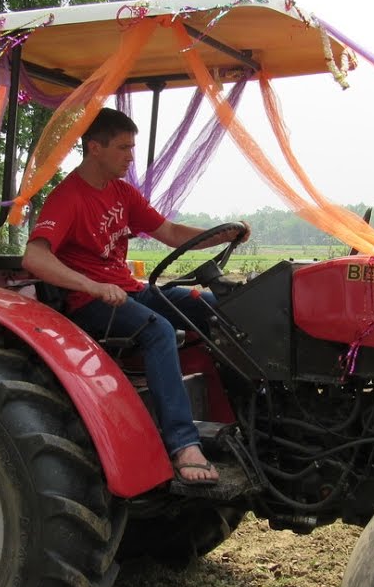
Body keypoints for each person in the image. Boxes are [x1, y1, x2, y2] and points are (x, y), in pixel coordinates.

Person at [23, 108, 249, 486]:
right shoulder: (69, 198)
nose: (131, 156)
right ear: (95, 147)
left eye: (132, 147)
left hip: (129, 292)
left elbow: (173, 232)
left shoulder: (122, 193)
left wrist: (225, 233)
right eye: (124, 147)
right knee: (158, 330)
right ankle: (183, 445)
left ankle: (245, 416)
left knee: (212, 306)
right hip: (92, 304)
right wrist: (91, 286)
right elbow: (34, 256)